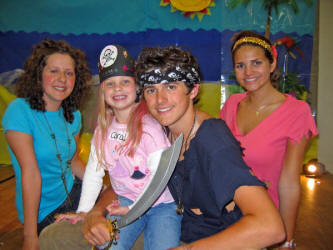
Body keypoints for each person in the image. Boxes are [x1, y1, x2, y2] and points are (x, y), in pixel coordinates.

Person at [135, 45, 285, 249]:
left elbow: (270, 227)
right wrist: (99, 211)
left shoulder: (212, 140)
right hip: (174, 229)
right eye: (151, 90)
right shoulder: (159, 131)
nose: (160, 100)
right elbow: (126, 171)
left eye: (171, 87)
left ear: (193, 90)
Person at [39, 44, 181, 250]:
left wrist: (133, 209)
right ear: (102, 91)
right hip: (124, 202)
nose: (118, 89)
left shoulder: (150, 128)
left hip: (162, 206)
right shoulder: (102, 132)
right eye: (110, 84)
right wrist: (85, 211)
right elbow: (94, 173)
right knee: (110, 245)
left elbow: (158, 178)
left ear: (137, 88)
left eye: (125, 82)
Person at [220, 31, 318, 249]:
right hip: (226, 213)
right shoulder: (231, 106)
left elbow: (289, 183)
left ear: (272, 64)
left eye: (256, 63)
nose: (248, 72)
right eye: (240, 65)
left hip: (265, 219)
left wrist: (286, 239)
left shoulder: (296, 112)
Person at [2, 39, 91, 250]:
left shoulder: (73, 115)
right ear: (38, 74)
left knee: (116, 226)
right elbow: (30, 174)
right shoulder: (19, 111)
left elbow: (74, 162)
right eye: (54, 71)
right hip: (44, 211)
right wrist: (30, 237)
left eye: (69, 73)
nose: (62, 79)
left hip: (75, 192)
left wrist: (102, 189)